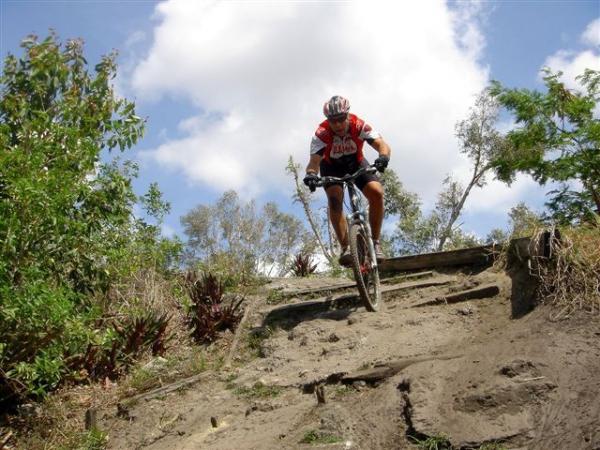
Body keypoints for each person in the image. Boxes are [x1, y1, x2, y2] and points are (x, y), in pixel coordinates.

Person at [303, 95, 391, 267]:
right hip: (331, 166)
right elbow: (314, 162)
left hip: (355, 163)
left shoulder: (359, 125)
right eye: (333, 121)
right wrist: (311, 174)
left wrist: (383, 157)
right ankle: (346, 248)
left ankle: (376, 242)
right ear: (328, 120)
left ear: (348, 115)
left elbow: (382, 145)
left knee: (376, 192)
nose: (338, 124)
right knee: (335, 199)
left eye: (341, 119)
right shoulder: (321, 134)